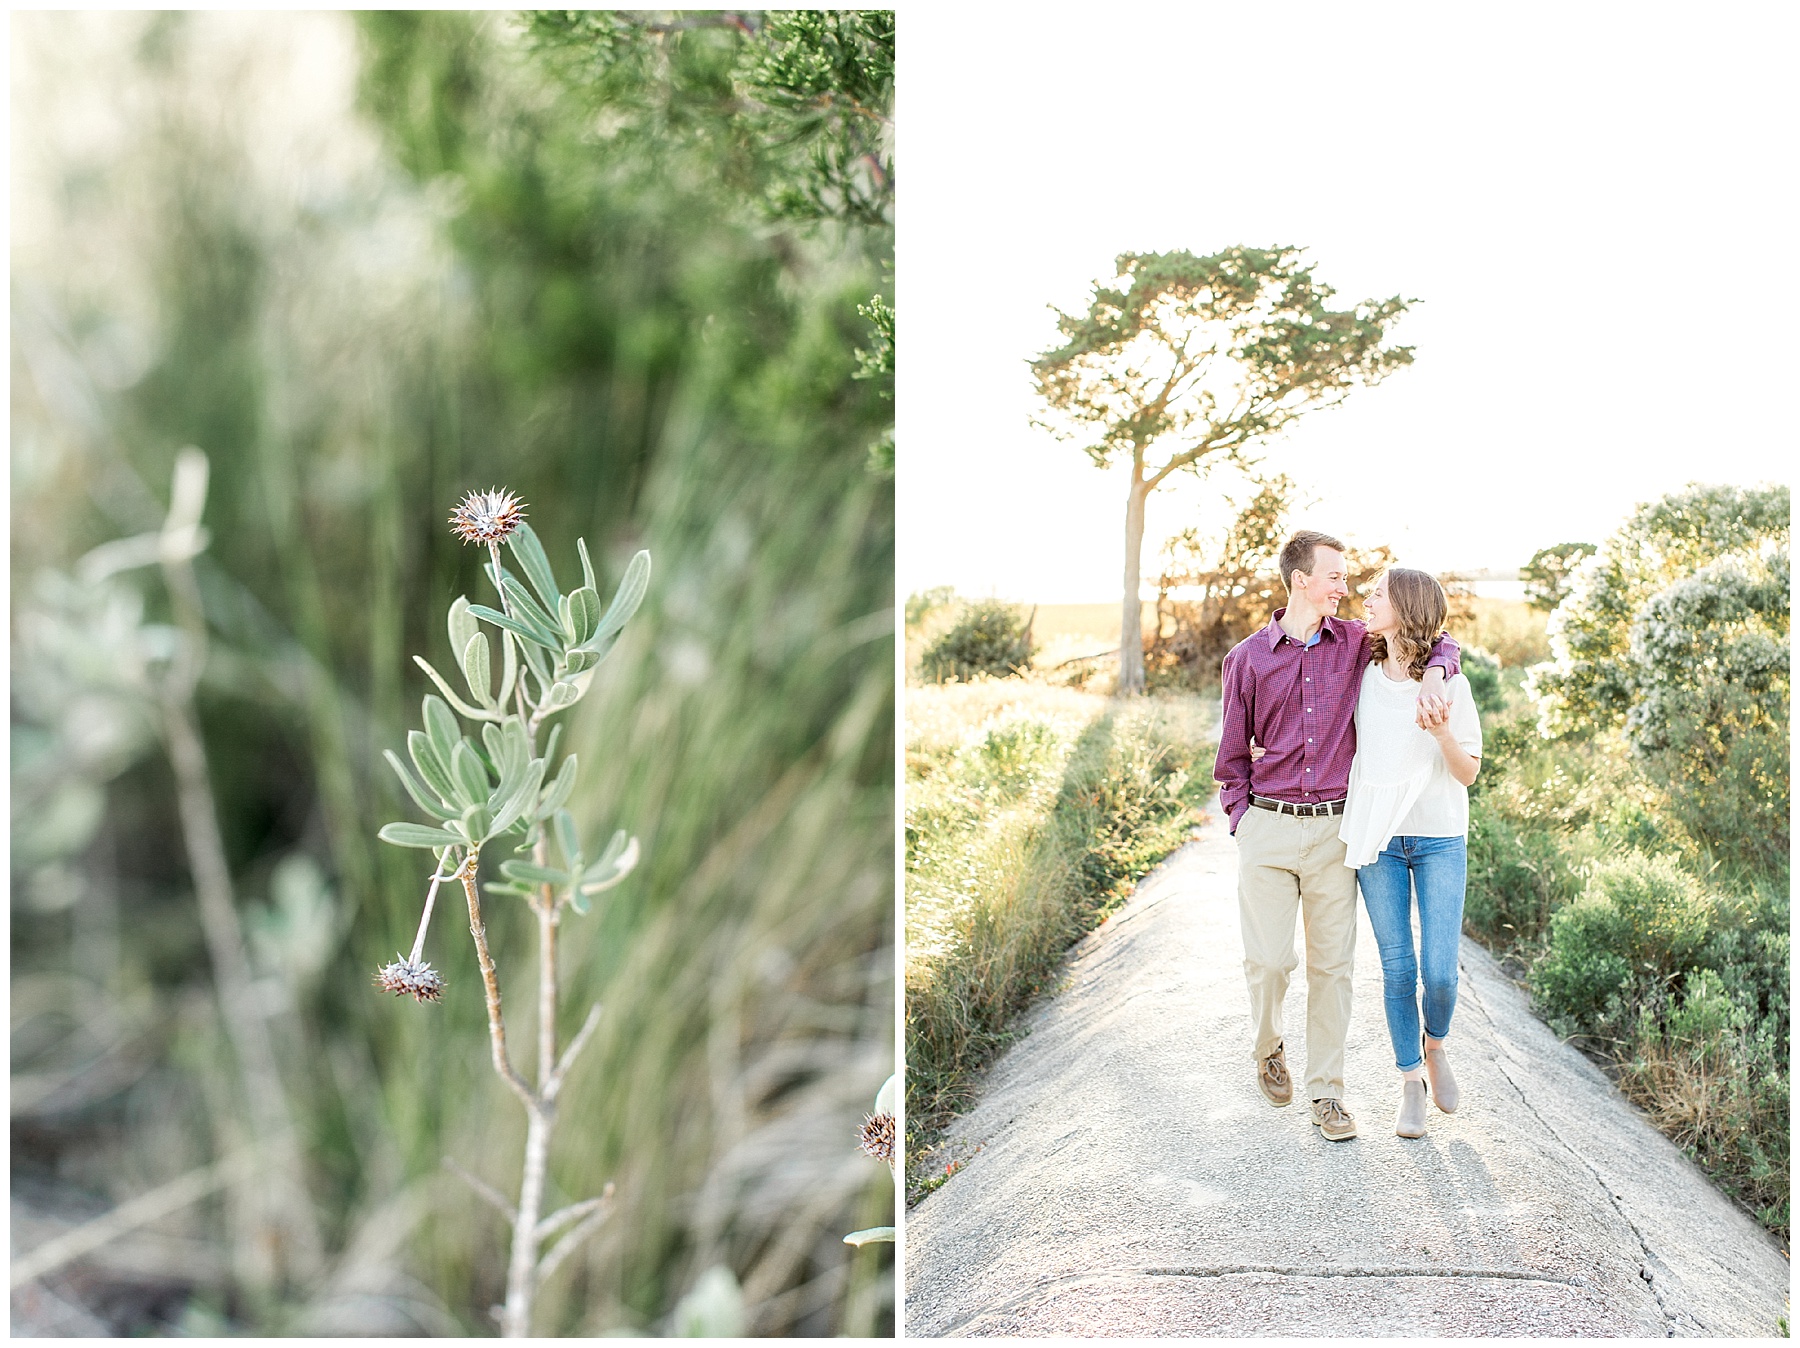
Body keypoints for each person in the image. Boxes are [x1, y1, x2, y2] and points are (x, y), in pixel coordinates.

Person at [1215, 531, 1458, 1142]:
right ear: (1301, 580)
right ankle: (1268, 1045)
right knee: (1269, 962)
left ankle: (1327, 1095)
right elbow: (1229, 758)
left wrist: (1436, 670)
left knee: (1333, 970)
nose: (1345, 589)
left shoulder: (1354, 643)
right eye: (1335, 577)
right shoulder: (1247, 659)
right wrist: (1243, 818)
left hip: (1333, 832)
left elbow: (1435, 633)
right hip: (1267, 828)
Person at [1338, 568, 1482, 1138]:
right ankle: (1410, 1082)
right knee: (1398, 970)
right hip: (1378, 841)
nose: (1366, 601)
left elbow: (1467, 773)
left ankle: (1437, 1044)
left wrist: (1443, 730)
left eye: (1377, 594)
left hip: (1440, 838)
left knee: (1440, 974)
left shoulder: (1452, 686)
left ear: (1406, 604)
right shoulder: (1360, 674)